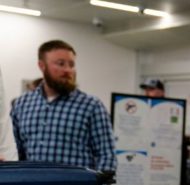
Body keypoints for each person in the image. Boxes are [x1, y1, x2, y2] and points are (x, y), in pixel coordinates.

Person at [10, 40, 116, 173]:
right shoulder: (22, 105)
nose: (68, 70)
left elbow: (106, 154)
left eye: (71, 64)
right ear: (42, 66)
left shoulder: (91, 106)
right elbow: (15, 152)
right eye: (60, 64)